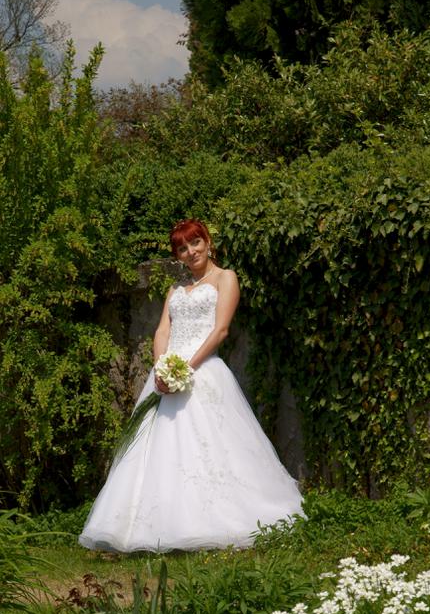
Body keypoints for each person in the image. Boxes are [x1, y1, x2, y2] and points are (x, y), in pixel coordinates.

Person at [79, 219, 304, 552]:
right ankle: (150, 525)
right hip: (166, 375)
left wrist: (185, 368)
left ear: (207, 242)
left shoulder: (226, 278)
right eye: (182, 248)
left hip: (203, 371)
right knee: (156, 451)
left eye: (195, 243)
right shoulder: (175, 289)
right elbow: (162, 331)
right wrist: (161, 368)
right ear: (178, 256)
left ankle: (218, 519)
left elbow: (220, 330)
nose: (191, 251)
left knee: (211, 448)